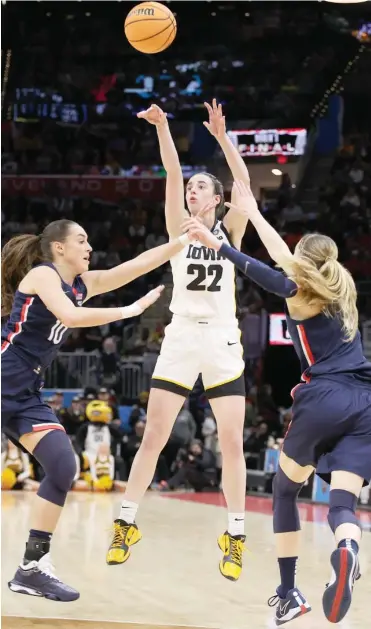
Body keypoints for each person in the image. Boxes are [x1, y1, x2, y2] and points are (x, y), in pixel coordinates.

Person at [183, 180, 371, 625]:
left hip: (324, 397)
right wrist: (253, 210)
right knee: (342, 504)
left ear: (303, 261)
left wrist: (221, 246)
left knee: (284, 490)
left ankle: (289, 593)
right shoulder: (344, 295)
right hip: (365, 404)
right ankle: (348, 549)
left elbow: (264, 270)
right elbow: (281, 255)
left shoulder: (303, 293)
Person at [1, 218, 192, 601]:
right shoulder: (42, 276)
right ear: (59, 248)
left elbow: (133, 267)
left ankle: (32, 567)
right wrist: (130, 310)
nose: (90, 247)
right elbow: (70, 317)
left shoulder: (81, 285)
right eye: (82, 240)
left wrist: (183, 242)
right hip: (4, 378)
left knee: (63, 466)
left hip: (26, 394)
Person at [107, 100, 250, 582]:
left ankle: (234, 535)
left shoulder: (230, 229)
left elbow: (245, 184)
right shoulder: (177, 228)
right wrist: (164, 126)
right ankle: (125, 525)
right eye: (190, 187)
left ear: (216, 197)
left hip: (224, 340)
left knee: (231, 442)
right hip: (183, 336)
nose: (191, 189)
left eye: (200, 186)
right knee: (154, 437)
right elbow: (170, 169)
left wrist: (222, 138)